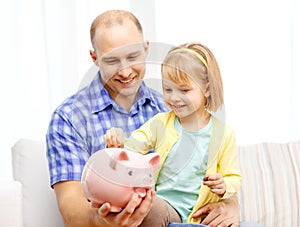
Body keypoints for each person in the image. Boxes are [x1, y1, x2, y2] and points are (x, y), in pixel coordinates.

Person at [46, 9, 257, 227]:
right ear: (95, 58)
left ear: (146, 49)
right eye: (111, 61)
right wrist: (104, 221)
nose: (125, 71)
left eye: (133, 57)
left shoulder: (171, 108)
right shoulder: (68, 118)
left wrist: (231, 204)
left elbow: (213, 171)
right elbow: (71, 210)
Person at [104, 42, 242, 225]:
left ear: (207, 89)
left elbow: (233, 176)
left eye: (184, 90)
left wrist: (223, 185)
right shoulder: (161, 123)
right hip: (167, 208)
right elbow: (132, 147)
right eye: (168, 89)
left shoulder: (224, 134)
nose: (174, 98)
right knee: (148, 207)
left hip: (201, 217)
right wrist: (118, 142)